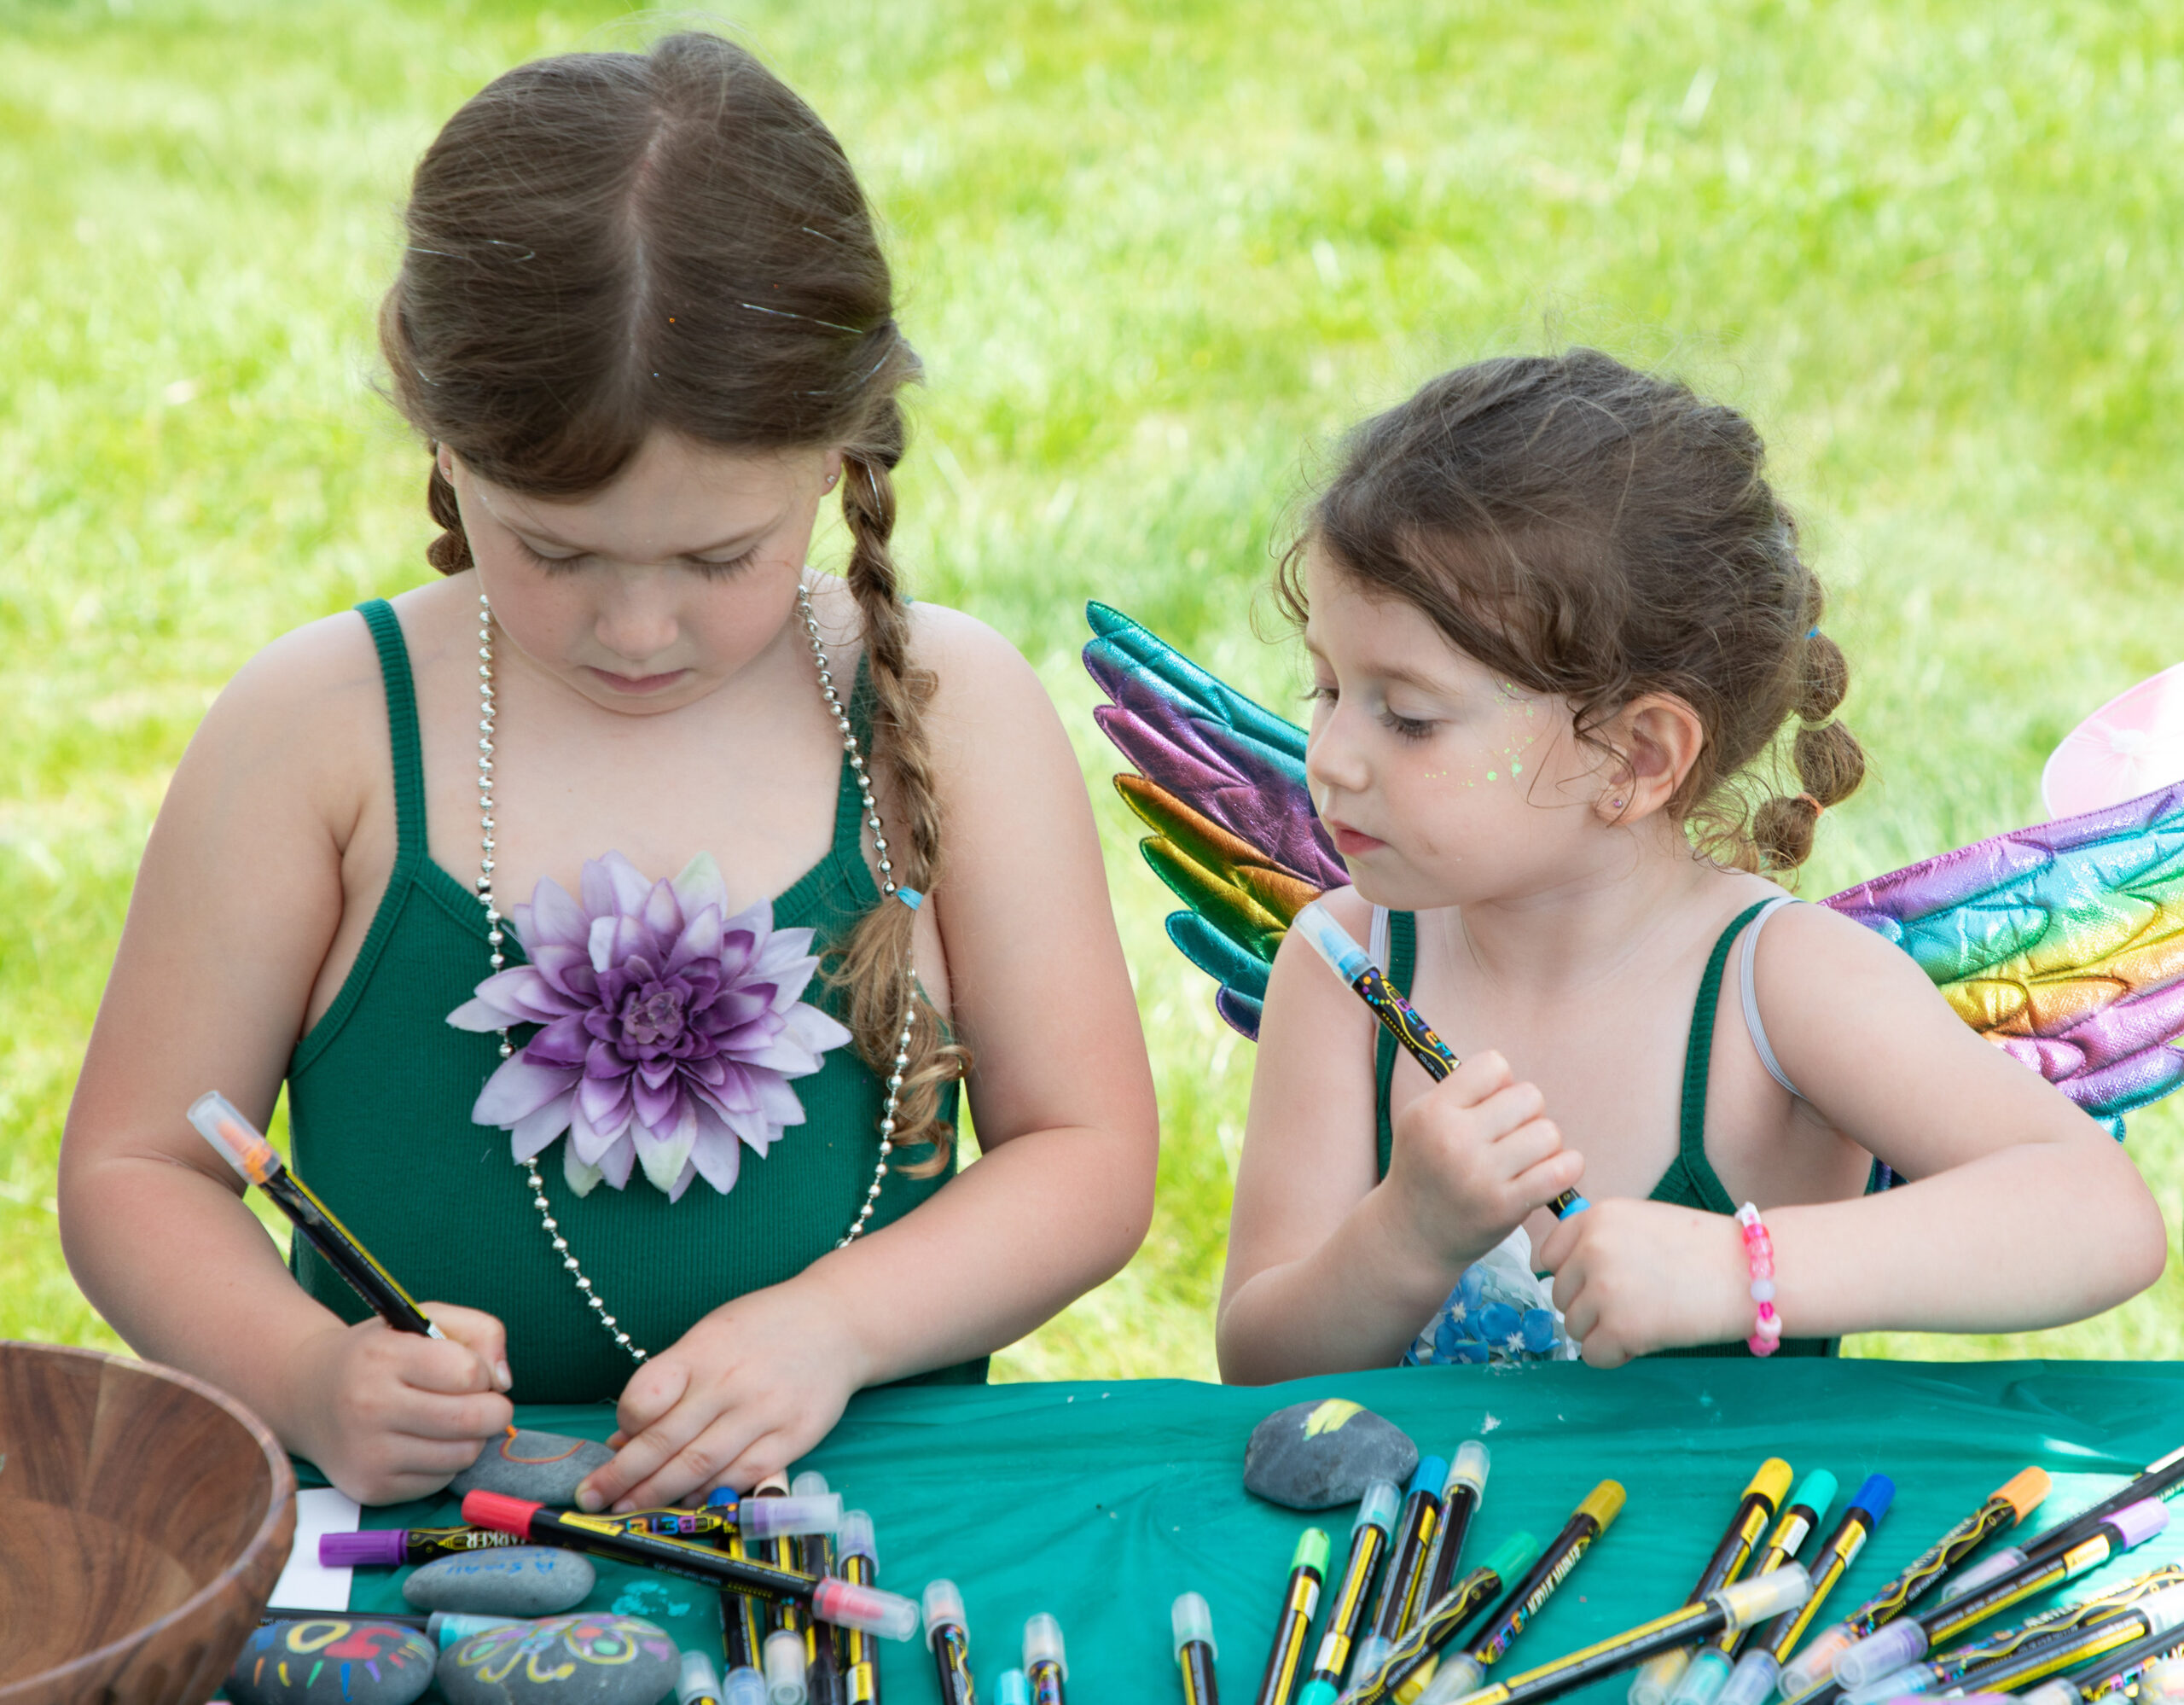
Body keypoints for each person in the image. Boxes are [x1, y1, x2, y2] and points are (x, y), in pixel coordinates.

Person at [59, 34, 1157, 1509]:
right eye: (557, 552)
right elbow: (140, 1166)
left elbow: (1086, 1150)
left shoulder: (949, 718)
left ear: (839, 452)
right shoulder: (323, 731)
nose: (638, 629)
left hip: (855, 1528)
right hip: (423, 1542)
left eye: (720, 556)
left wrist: (836, 1328)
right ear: (444, 444)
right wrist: (306, 1373)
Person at [1217, 350, 2164, 1381]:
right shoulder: (1347, 967)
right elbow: (1259, 1365)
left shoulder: (1778, 983)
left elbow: (2099, 1216)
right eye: (1325, 689)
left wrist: (1737, 1270)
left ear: (1636, 756)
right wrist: (1403, 1235)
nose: (1331, 756)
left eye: (1407, 717)